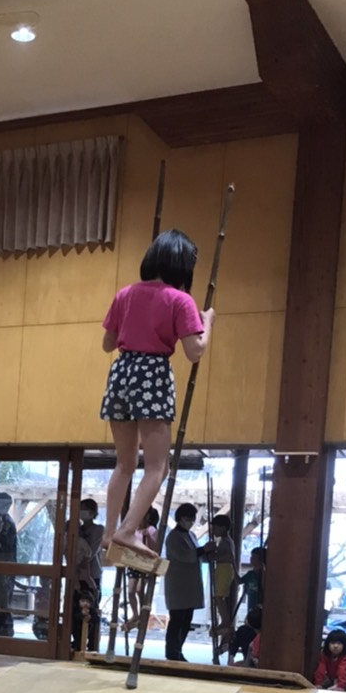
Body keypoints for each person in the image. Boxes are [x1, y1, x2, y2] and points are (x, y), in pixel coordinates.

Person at [99, 230, 213, 555]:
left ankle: (109, 532)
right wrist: (208, 322)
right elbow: (194, 351)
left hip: (121, 373)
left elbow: (108, 344)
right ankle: (127, 531)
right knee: (158, 467)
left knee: (124, 463)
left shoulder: (124, 294)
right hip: (153, 375)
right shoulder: (180, 300)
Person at [163, 503, 205, 662]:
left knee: (186, 621)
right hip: (178, 583)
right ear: (180, 518)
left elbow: (196, 555)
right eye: (189, 518)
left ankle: (178, 650)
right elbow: (185, 555)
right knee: (177, 620)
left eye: (193, 518)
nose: (191, 521)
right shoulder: (173, 537)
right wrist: (203, 550)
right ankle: (172, 652)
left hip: (190, 583)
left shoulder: (191, 535)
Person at [72, 498, 103, 653]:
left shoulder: (98, 530)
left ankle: (91, 644)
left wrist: (80, 558)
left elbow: (90, 552)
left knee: (91, 610)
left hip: (92, 574)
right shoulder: (75, 528)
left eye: (84, 509)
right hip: (76, 575)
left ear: (92, 512)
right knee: (75, 610)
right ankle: (77, 641)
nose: (81, 512)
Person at [0, 490, 18, 636]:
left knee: (2, 603)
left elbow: (5, 548)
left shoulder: (7, 523)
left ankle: (3, 633)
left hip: (3, 569)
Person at [126, 507, 160, 627]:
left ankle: (142, 613)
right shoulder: (134, 530)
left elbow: (155, 548)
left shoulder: (151, 530)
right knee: (130, 591)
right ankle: (135, 614)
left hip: (145, 563)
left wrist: (148, 536)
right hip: (134, 561)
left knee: (139, 589)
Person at [207, 512, 236, 657]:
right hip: (222, 568)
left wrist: (214, 556)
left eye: (215, 528)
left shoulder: (226, 541)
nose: (213, 530)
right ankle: (225, 623)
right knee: (218, 597)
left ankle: (225, 622)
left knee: (218, 596)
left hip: (224, 569)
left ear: (223, 528)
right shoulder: (224, 541)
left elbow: (229, 556)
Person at [237, 545, 266, 618]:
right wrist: (233, 566)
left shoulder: (264, 574)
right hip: (251, 604)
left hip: (260, 605)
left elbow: (264, 587)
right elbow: (238, 581)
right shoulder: (250, 574)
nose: (251, 559)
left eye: (253, 557)